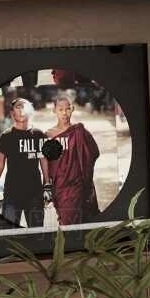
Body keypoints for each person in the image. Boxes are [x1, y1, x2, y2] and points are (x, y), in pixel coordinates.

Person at [43, 92, 102, 227]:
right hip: (61, 187)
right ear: (54, 111)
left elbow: (94, 152)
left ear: (72, 109)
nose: (64, 113)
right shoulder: (49, 134)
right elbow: (46, 162)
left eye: (67, 109)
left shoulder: (79, 131)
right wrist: (47, 186)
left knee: (81, 222)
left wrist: (82, 172)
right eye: (61, 110)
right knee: (67, 220)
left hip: (78, 184)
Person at [0, 97, 46, 228]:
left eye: (24, 106)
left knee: (37, 233)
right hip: (12, 193)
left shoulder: (38, 134)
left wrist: (47, 185)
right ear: (12, 114)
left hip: (35, 193)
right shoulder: (6, 136)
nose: (21, 109)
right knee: (10, 233)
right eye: (18, 106)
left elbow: (44, 160)